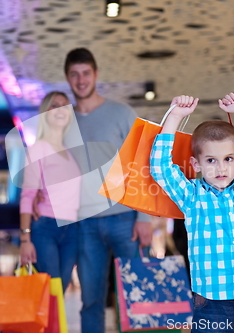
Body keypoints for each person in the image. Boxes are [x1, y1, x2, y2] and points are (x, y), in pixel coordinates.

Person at [150, 93, 234, 332]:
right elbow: (160, 166)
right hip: (211, 301)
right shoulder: (191, 197)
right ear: (196, 165)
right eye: (211, 160)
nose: (221, 168)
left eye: (228, 159)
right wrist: (175, 116)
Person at [62, 48, 153, 333]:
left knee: (138, 295)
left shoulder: (121, 113)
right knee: (91, 301)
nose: (80, 80)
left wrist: (145, 218)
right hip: (85, 223)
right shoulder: (62, 121)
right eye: (74, 74)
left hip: (125, 218)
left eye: (85, 73)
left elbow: (141, 163)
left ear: (96, 74)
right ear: (67, 78)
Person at [19, 91, 81, 291]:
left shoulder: (69, 152)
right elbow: (27, 196)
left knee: (59, 294)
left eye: (65, 105)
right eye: (55, 105)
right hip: (46, 228)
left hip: (72, 230)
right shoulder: (38, 148)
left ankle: (54, 325)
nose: (61, 109)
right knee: (48, 295)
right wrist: (25, 239)